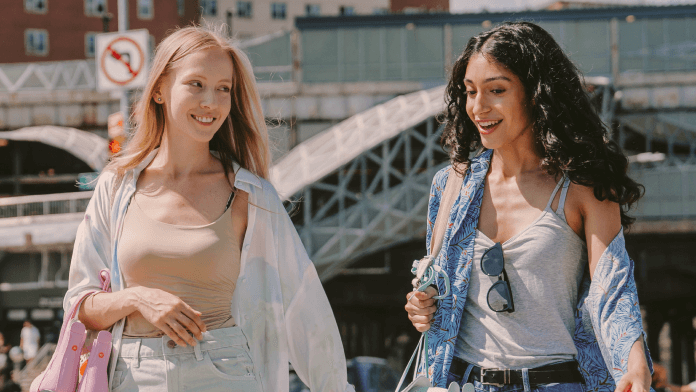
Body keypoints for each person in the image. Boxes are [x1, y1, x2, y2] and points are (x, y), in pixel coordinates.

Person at [64, 25, 353, 392]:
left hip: (226, 371)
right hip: (133, 376)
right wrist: (137, 298)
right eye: (196, 84)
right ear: (158, 90)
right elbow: (80, 306)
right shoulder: (117, 187)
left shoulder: (252, 195)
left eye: (223, 89)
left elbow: (304, 308)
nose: (211, 102)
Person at [404, 22, 653, 392]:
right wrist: (422, 306)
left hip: (555, 383)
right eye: (470, 92)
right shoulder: (450, 185)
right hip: (463, 382)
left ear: (536, 94)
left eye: (496, 90)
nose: (478, 107)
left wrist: (634, 361)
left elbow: (612, 289)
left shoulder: (584, 187)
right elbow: (440, 289)